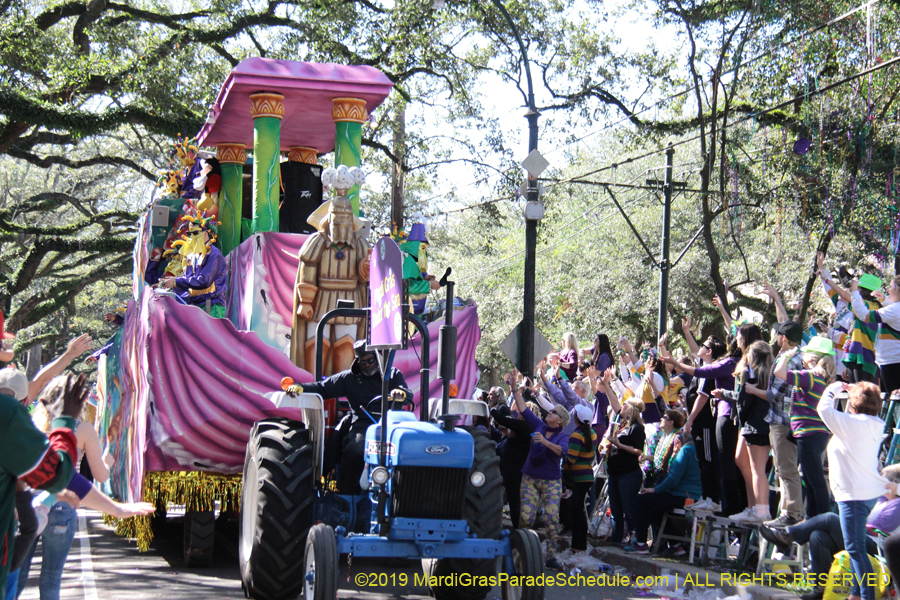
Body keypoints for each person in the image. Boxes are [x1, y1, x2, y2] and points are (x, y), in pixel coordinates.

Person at [285, 341, 411, 494]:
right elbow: (322, 388)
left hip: (392, 423)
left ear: (378, 358)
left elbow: (405, 393)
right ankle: (347, 494)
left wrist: (400, 394)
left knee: (409, 451)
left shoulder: (392, 375)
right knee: (355, 447)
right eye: (362, 362)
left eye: (370, 360)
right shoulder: (349, 378)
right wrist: (301, 388)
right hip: (363, 422)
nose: (367, 365)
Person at [759, 464, 900, 600]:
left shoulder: (897, 505)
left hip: (878, 548)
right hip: (862, 538)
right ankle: (820, 588)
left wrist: (854, 523)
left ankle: (788, 536)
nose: (879, 481)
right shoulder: (880, 500)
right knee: (818, 536)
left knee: (830, 519)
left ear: (894, 483)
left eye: (883, 478)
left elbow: (880, 526)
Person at [0, 369, 78, 594]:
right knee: (50, 577)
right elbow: (56, 475)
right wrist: (65, 422)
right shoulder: (9, 415)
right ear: (24, 401)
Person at [290, 174, 370, 375]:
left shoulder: (360, 244)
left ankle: (342, 395)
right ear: (329, 217)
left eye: (345, 217)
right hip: (320, 301)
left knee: (347, 347)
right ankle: (314, 392)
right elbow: (308, 269)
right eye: (337, 216)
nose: (341, 221)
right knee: (316, 345)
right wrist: (306, 302)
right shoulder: (317, 241)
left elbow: (363, 278)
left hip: (351, 301)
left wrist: (367, 267)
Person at [818, 380, 887, 600]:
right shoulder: (874, 423)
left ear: (854, 404)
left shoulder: (853, 424)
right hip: (863, 493)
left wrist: (835, 387)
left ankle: (866, 597)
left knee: (855, 549)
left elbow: (823, 409)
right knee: (856, 549)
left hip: (853, 496)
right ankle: (856, 595)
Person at [508, 370, 570, 570]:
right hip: (530, 477)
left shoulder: (562, 436)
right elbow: (524, 409)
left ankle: (550, 556)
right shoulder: (539, 425)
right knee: (526, 517)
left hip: (551, 480)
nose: (549, 414)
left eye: (553, 413)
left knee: (552, 518)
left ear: (560, 421)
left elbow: (562, 452)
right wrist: (514, 388)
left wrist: (544, 442)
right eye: (550, 412)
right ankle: (520, 551)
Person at [746, 319, 804, 528]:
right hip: (785, 420)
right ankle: (787, 510)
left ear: (785, 338)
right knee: (782, 469)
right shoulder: (794, 356)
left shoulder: (789, 359)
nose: (776, 337)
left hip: (782, 421)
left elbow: (773, 395)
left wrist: (752, 390)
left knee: (786, 469)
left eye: (779, 334)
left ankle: (793, 512)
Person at [773, 336, 836, 519]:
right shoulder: (822, 377)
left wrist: (785, 356)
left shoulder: (810, 376)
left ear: (811, 358)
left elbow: (779, 372)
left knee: (814, 479)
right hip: (815, 433)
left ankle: (823, 519)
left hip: (808, 433)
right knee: (809, 479)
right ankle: (813, 517)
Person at [712, 340, 773, 523]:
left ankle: (760, 509)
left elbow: (743, 401)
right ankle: (753, 507)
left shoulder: (750, 373)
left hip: (754, 426)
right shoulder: (768, 373)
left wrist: (725, 395)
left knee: (757, 470)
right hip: (762, 425)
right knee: (752, 466)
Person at [625, 430, 702, 554]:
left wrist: (654, 489)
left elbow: (673, 479)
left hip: (683, 496)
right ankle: (677, 546)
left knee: (642, 499)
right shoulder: (697, 450)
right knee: (657, 507)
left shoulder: (686, 451)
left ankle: (640, 543)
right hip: (693, 497)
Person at [157, 213, 227, 318]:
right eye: (190, 234)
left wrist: (176, 282)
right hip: (195, 306)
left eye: (195, 233)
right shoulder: (193, 256)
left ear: (206, 234)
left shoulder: (213, 254)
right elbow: (188, 280)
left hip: (210, 306)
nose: (192, 237)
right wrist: (169, 284)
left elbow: (204, 281)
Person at [848, 275, 900, 395]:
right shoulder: (895, 309)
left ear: (898, 289)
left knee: (893, 402)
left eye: (891, 286)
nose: (887, 290)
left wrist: (854, 291)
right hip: (892, 361)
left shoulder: (895, 310)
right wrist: (884, 300)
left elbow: (864, 315)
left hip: (892, 363)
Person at [490, 402, 533, 529]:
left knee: (514, 498)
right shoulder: (527, 427)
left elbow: (503, 419)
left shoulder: (524, 425)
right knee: (516, 498)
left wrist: (492, 409)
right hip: (517, 466)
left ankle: (518, 527)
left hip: (515, 468)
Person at [564, 404, 597, 552]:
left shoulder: (576, 435)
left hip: (577, 477)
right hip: (587, 475)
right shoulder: (592, 433)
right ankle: (577, 545)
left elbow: (571, 459)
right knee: (578, 510)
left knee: (576, 512)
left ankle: (578, 545)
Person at [641, 409, 685, 488]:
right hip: (660, 475)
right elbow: (661, 458)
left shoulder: (678, 437)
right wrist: (647, 457)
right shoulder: (664, 436)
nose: (661, 419)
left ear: (671, 422)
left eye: (664, 417)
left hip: (669, 476)